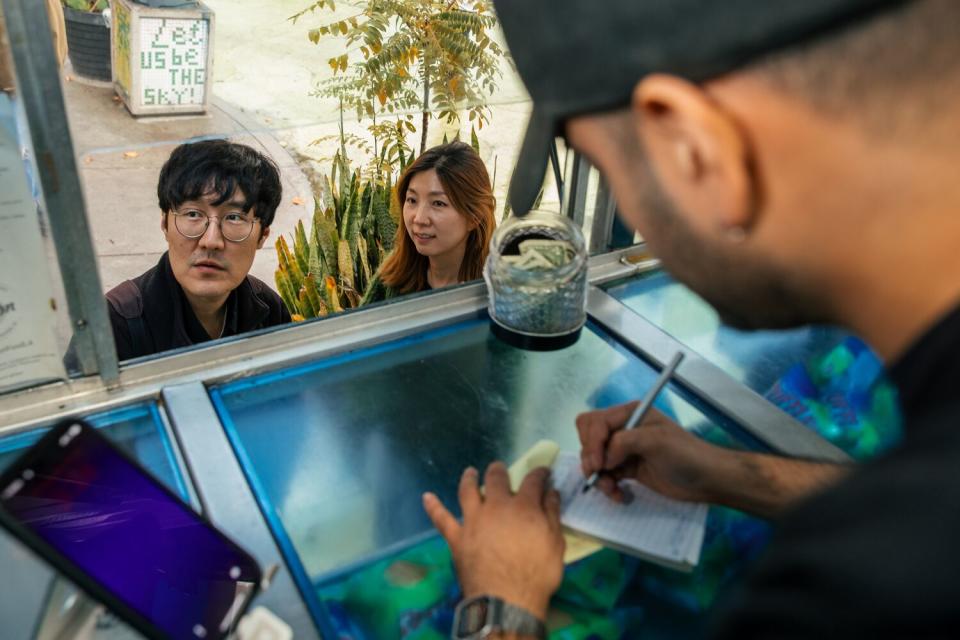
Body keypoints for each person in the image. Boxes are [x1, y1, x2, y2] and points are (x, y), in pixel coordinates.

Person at [421, 0, 960, 636]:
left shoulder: (853, 599)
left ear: (694, 150)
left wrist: (501, 605)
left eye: (611, 171)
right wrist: (729, 474)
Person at [100, 139, 290, 361]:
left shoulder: (269, 310)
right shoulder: (114, 324)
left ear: (262, 236)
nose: (211, 241)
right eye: (193, 214)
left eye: (234, 218)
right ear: (165, 225)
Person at [361, 141, 496, 304]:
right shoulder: (393, 276)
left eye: (438, 203)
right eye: (412, 200)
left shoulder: (502, 290)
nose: (419, 219)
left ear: (475, 216)